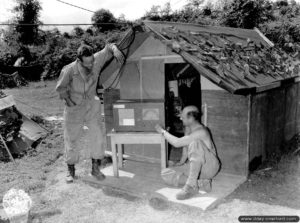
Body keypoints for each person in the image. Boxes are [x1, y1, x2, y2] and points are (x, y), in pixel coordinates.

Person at [56, 42, 124, 183]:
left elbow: (108, 46)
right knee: (71, 138)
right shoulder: (69, 69)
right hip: (74, 106)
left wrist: (115, 49)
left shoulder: (95, 59)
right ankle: (71, 169)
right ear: (79, 60)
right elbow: (61, 88)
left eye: (91, 61)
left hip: (92, 104)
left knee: (97, 135)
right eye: (86, 63)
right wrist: (69, 102)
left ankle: (95, 168)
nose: (90, 65)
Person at [155, 106, 221, 200]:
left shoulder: (201, 131)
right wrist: (181, 163)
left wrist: (163, 132)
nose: (180, 118)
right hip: (198, 168)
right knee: (165, 173)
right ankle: (201, 182)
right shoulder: (188, 128)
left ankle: (191, 186)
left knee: (195, 143)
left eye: (183, 116)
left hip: (209, 167)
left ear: (191, 118)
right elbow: (185, 148)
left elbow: (177, 143)